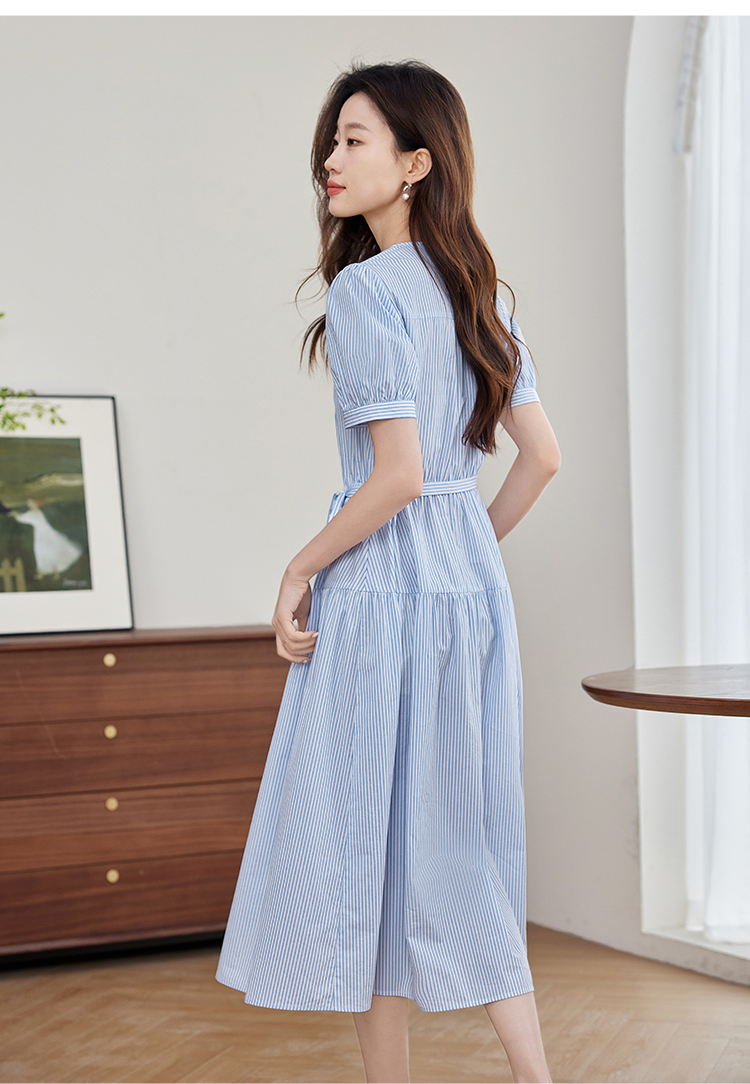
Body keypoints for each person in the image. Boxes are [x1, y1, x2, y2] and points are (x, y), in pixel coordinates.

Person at [215, 59, 560, 1084]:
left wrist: (300, 565)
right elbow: (542, 459)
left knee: (366, 846)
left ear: (415, 163)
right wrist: (466, 549)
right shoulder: (482, 293)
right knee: (462, 841)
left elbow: (397, 475)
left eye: (354, 139)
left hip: (378, 597)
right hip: (470, 595)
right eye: (332, 140)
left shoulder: (366, 290)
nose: (330, 158)